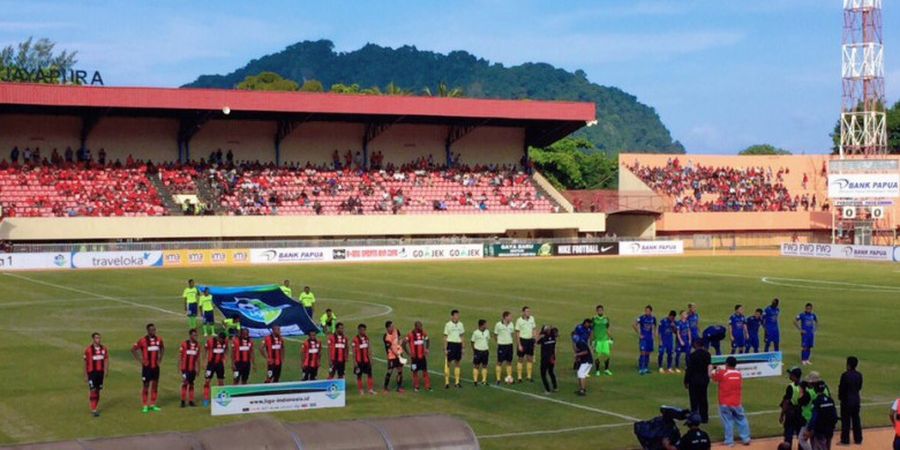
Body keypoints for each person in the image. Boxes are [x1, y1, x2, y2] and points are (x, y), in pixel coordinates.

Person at [711, 356, 751, 446]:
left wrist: (715, 370)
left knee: (728, 421)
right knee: (742, 419)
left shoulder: (722, 373)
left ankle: (729, 441)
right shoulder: (739, 374)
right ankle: (746, 439)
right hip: (736, 402)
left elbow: (713, 377)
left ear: (727, 364)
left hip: (724, 403)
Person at [131, 323, 164, 413]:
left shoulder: (159, 340)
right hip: (147, 367)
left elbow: (162, 348)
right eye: (152, 329)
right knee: (146, 385)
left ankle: (153, 404)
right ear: (148, 331)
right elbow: (133, 349)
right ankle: (145, 405)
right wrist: (140, 360)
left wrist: (160, 359)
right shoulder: (142, 340)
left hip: (155, 367)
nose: (153, 331)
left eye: (154, 329)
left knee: (155, 385)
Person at [684, 339, 711, 424]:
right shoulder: (707, 354)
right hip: (704, 379)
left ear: (696, 345)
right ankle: (704, 417)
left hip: (694, 380)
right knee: (703, 398)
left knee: (694, 399)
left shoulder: (692, 355)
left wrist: (686, 380)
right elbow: (708, 367)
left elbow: (689, 369)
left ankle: (695, 417)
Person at [804, 381, 838, 450]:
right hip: (829, 429)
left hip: (820, 430)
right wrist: (832, 426)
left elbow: (814, 417)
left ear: (815, 389)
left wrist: (809, 429)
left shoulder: (816, 401)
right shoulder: (830, 400)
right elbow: (834, 415)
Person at [838, 356, 863, 445]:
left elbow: (842, 388)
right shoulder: (859, 375)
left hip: (846, 400)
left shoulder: (845, 375)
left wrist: (840, 397)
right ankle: (858, 439)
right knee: (856, 419)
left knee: (846, 421)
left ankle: (845, 440)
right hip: (856, 400)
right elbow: (859, 387)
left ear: (848, 365)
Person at [83, 332, 109, 417]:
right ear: (93, 339)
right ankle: (93, 409)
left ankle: (95, 407)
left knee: (98, 391)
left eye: (99, 338)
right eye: (97, 338)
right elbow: (85, 363)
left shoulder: (104, 349)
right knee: (93, 390)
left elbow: (106, 359)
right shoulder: (88, 350)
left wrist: (106, 370)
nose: (98, 339)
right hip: (92, 373)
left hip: (100, 373)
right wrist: (85, 375)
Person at [780, 366, 805, 448]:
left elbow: (786, 402)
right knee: (801, 436)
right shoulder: (805, 385)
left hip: (791, 413)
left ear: (794, 376)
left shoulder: (791, 387)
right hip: (802, 413)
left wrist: (782, 415)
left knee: (788, 434)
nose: (789, 375)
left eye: (791, 374)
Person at [203, 331, 228, 407]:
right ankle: (206, 399)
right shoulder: (210, 341)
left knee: (221, 381)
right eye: (221, 340)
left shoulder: (224, 342)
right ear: (219, 338)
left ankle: (220, 399)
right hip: (211, 364)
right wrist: (204, 361)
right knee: (207, 381)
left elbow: (226, 349)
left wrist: (225, 359)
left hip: (220, 365)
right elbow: (205, 350)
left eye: (223, 340)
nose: (222, 341)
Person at [406, 321, 432, 391]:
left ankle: (428, 386)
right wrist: (408, 352)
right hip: (414, 358)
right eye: (420, 327)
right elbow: (403, 343)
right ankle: (416, 386)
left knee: (425, 371)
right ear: (416, 327)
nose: (421, 328)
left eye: (421, 326)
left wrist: (426, 348)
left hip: (422, 357)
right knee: (415, 371)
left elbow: (428, 339)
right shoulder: (410, 334)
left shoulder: (423, 333)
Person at [179, 328, 201, 407]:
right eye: (194, 335)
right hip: (185, 368)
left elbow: (198, 358)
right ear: (190, 335)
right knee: (185, 383)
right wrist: (181, 368)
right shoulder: (184, 344)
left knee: (191, 384)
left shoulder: (198, 345)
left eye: (196, 335)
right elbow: (180, 357)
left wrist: (198, 368)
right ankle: (183, 401)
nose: (196, 336)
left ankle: (191, 401)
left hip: (192, 369)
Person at [352, 324, 376, 395]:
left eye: (364, 330)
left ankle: (370, 390)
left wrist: (371, 360)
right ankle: (361, 390)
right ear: (359, 330)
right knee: (359, 376)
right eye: (362, 330)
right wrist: (354, 362)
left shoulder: (366, 338)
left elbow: (369, 349)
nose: (363, 331)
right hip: (359, 361)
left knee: (370, 374)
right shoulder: (355, 340)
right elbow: (353, 352)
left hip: (366, 361)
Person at [515, 306, 537, 383]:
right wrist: (519, 344)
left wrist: (535, 339)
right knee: (520, 358)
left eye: (529, 311)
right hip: (522, 340)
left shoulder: (532, 318)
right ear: (523, 312)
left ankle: (529, 376)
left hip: (530, 340)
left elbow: (534, 329)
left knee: (530, 358)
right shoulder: (519, 320)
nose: (528, 313)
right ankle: (519, 377)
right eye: (527, 311)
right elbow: (517, 333)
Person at [444, 310, 465, 388]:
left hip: (458, 345)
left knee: (457, 363)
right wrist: (445, 348)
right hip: (450, 344)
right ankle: (447, 382)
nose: (458, 316)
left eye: (458, 315)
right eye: (456, 315)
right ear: (452, 316)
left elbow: (462, 336)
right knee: (448, 363)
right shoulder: (448, 325)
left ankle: (457, 382)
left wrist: (463, 347)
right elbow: (445, 337)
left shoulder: (461, 324)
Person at [590, 304, 613, 376]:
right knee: (598, 356)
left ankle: (606, 369)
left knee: (607, 355)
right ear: (597, 311)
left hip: (605, 340)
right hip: (598, 340)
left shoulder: (606, 318)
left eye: (601, 310)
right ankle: (597, 370)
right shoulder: (594, 319)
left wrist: (611, 337)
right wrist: (592, 339)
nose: (600, 311)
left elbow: (607, 329)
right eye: (599, 310)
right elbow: (592, 330)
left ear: (603, 311)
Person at [633, 305, 657, 375]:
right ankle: (641, 368)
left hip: (650, 338)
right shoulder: (641, 318)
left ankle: (646, 368)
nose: (646, 312)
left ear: (651, 311)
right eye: (646, 311)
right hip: (643, 338)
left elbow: (655, 326)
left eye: (648, 311)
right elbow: (634, 325)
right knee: (642, 352)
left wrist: (654, 334)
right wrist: (639, 334)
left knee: (648, 353)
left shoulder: (653, 318)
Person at [494, 311, 515, 384]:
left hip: (509, 345)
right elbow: (495, 335)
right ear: (505, 317)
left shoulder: (511, 324)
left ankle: (509, 377)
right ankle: (498, 379)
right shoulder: (498, 325)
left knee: (509, 362)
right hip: (502, 346)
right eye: (510, 316)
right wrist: (500, 342)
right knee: (499, 362)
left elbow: (512, 334)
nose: (511, 318)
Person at [383, 321, 404, 392]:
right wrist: (398, 355)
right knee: (390, 371)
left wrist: (400, 342)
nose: (393, 327)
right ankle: (385, 387)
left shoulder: (396, 331)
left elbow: (400, 338)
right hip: (392, 356)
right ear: (388, 328)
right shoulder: (386, 337)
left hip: (399, 354)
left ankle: (399, 387)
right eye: (391, 326)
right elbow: (391, 348)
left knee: (400, 370)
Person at [537, 325, 558, 394]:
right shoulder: (553, 338)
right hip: (552, 357)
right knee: (551, 372)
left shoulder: (543, 338)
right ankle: (555, 387)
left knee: (543, 374)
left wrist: (540, 335)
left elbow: (536, 342)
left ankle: (547, 390)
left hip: (545, 358)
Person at [573, 328, 593, 396]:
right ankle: (582, 389)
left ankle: (582, 390)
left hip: (587, 361)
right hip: (586, 361)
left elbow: (585, 352)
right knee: (581, 374)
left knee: (581, 374)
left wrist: (577, 354)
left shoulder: (580, 343)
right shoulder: (580, 342)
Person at [471, 319, 490, 386]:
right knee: (476, 366)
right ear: (482, 325)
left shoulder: (487, 332)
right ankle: (475, 381)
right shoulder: (475, 332)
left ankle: (484, 380)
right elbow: (472, 342)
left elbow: (488, 339)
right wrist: (474, 351)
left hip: (485, 351)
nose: (487, 325)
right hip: (478, 351)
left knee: (484, 365)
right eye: (486, 324)